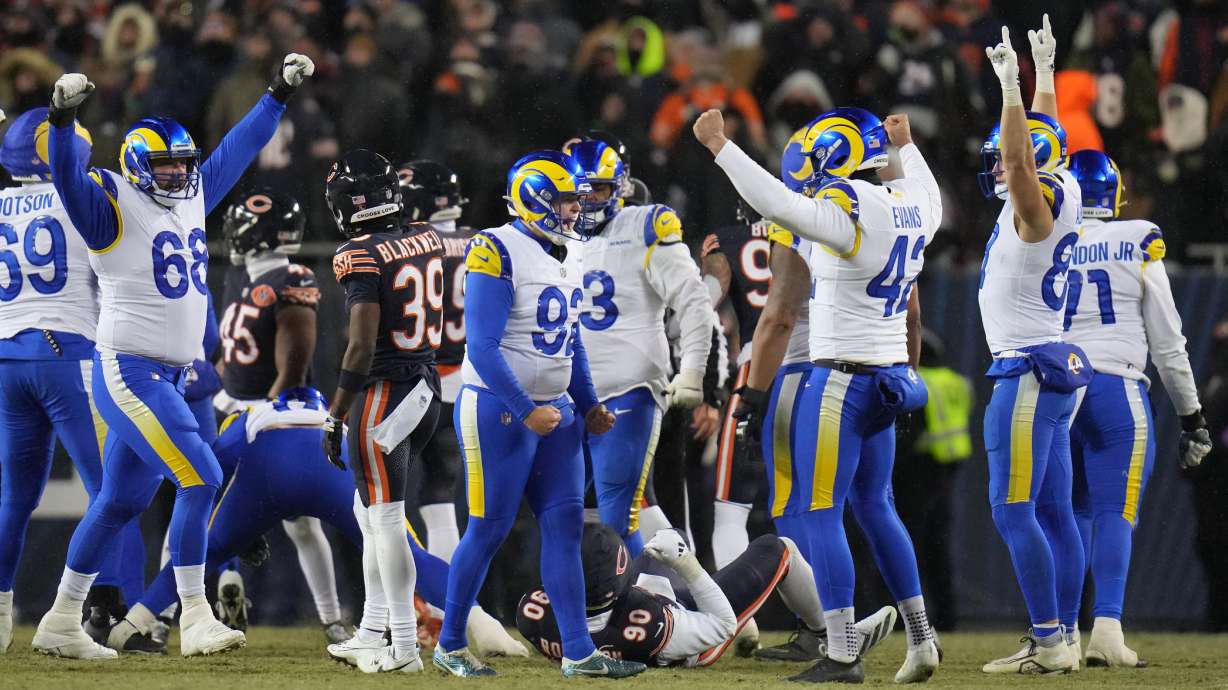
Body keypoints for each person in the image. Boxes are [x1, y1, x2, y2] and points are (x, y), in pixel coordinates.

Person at [32, 53, 314, 660]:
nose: (178, 175)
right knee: (203, 475)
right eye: (164, 166)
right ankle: (196, 616)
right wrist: (60, 121)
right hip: (129, 370)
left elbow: (236, 150)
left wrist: (276, 94)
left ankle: (59, 619)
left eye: (183, 164)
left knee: (120, 501)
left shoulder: (189, 195)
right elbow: (66, 177)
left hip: (167, 372)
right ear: (135, 167)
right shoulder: (108, 208)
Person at [695, 108, 942, 683]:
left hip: (840, 381)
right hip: (889, 378)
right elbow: (920, 184)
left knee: (817, 511)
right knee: (878, 507)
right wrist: (905, 144)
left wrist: (720, 146)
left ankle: (841, 650)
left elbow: (780, 206)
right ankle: (922, 637)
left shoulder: (848, 211)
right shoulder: (917, 205)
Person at [104, 388, 526, 662]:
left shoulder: (251, 413)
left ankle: (133, 624)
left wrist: (238, 534)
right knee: (400, 547)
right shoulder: (328, 411)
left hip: (265, 466)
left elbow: (216, 469)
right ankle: (481, 623)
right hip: (329, 460)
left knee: (206, 551)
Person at [432, 151, 644, 679]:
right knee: (488, 530)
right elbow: (480, 347)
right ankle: (451, 643)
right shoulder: (494, 249)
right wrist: (526, 411)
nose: (574, 209)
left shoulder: (568, 254)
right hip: (499, 413)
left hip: (557, 415)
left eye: (574, 199)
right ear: (533, 200)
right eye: (566, 199)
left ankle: (579, 652)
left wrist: (590, 402)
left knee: (567, 526)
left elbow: (570, 344)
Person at [0, 107, 142, 652]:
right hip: (68, 355)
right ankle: (100, 612)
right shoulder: (79, 195)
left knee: (15, 498)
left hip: (10, 360)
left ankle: (2, 611)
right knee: (110, 492)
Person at [1064, 149, 1211, 667]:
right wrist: (1192, 416)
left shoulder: (1041, 238)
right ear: (1115, 196)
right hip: (1114, 390)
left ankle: (1057, 633)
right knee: (1113, 514)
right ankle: (1105, 629)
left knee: (1068, 514)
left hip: (1056, 390)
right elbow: (1169, 344)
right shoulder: (1136, 239)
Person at [977, 16, 1088, 674]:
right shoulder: (1068, 184)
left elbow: (1022, 156)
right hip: (1053, 364)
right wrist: (1044, 77)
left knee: (1013, 509)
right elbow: (1041, 145)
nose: (1000, 164)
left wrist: (1013, 84)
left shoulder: (1034, 202)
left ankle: (1049, 641)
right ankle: (1062, 636)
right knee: (1053, 510)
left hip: (1025, 372)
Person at [321, 150, 444, 674]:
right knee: (365, 512)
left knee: (387, 519)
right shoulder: (425, 236)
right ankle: (373, 629)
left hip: (384, 398)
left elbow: (360, 347)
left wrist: (336, 413)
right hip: (426, 386)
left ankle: (403, 648)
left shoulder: (359, 254)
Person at [562, 137, 712, 555]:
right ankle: (677, 598)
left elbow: (694, 301)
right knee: (566, 513)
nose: (588, 199)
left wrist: (694, 371)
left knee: (616, 516)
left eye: (598, 188)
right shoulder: (552, 235)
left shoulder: (644, 226)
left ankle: (643, 611)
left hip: (627, 388)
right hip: (568, 393)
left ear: (619, 188)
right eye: (580, 190)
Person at [212, 188, 346, 643]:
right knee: (303, 526)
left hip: (257, 410)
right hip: (255, 408)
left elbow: (291, 359)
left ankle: (165, 609)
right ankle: (330, 617)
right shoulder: (248, 275)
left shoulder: (273, 277)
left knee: (210, 510)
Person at [516, 523, 897, 668]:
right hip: (694, 635)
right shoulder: (652, 624)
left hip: (633, 614)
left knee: (668, 534)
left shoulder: (531, 615)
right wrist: (687, 564)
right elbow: (720, 623)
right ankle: (823, 635)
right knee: (778, 548)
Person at [397, 159, 472, 563]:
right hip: (467, 383)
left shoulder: (413, 244)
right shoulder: (482, 243)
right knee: (440, 498)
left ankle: (396, 607)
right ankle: (450, 608)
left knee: (381, 501)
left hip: (416, 381)